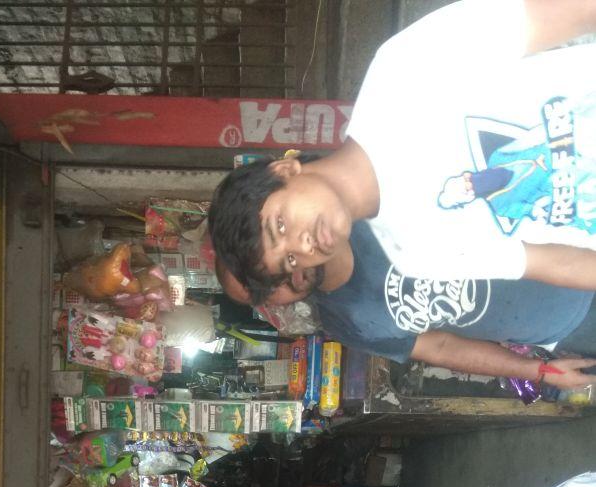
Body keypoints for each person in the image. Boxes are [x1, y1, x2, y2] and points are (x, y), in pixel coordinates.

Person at [208, 0, 596, 303]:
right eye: (290, 259)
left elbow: (571, 11)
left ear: (283, 170)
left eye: (280, 226)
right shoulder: (413, 254)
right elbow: (555, 261)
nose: (304, 246)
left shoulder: (399, 74)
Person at [216, 224, 596, 390]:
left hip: (578, 249)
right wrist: (537, 371)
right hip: (569, 330)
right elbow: (441, 348)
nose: (275, 280)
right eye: (260, 292)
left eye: (260, 266)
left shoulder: (365, 210)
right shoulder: (343, 323)